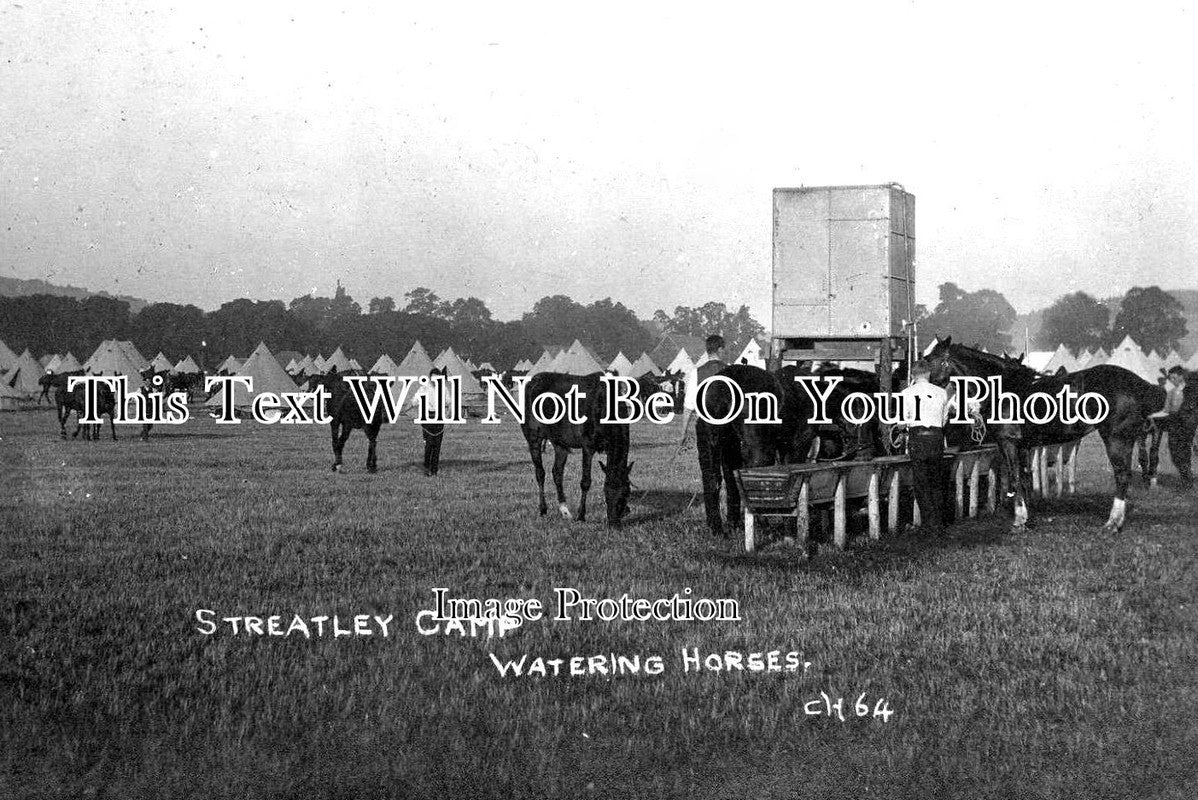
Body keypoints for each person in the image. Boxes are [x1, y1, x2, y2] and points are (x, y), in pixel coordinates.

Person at [678, 334, 740, 537]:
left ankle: (714, 523)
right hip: (729, 427)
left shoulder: (697, 373)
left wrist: (682, 434)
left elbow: (688, 407)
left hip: (705, 427)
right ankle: (734, 520)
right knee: (731, 474)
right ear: (721, 349)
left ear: (707, 351)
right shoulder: (732, 372)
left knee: (709, 475)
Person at [894, 359, 963, 536]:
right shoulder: (941, 392)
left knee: (921, 483)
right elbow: (943, 420)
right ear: (929, 374)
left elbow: (901, 424)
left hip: (917, 439)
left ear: (913, 375)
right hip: (936, 439)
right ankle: (938, 524)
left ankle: (929, 525)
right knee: (936, 482)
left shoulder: (906, 393)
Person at [408, 367, 454, 477]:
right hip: (427, 417)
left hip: (439, 417)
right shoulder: (424, 388)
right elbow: (414, 401)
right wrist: (405, 408)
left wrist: (448, 413)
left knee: (437, 446)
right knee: (428, 445)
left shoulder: (444, 389)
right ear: (430, 378)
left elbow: (450, 402)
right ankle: (426, 469)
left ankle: (434, 470)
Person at [1158, 366, 1195, 490]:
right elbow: (1167, 409)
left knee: (1184, 451)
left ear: (1181, 376)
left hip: (1187, 425)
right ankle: (1186, 477)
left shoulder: (1192, 389)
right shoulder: (1172, 391)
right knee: (1174, 452)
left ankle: (1187, 480)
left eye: (1174, 377)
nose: (1172, 380)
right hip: (1174, 426)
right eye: (1170, 378)